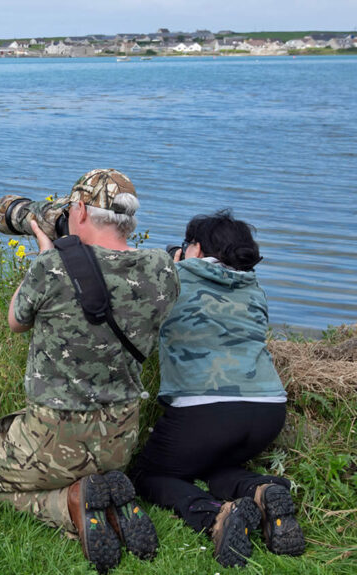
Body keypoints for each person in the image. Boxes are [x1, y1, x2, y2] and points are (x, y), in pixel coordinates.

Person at [0, 169, 180, 573]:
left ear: (81, 210)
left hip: (55, 433)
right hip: (120, 436)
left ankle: (70, 505)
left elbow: (15, 320)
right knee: (95, 459)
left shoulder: (52, 267)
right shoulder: (162, 269)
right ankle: (104, 492)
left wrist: (46, 253)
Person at [129, 210, 304, 567]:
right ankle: (262, 492)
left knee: (148, 473)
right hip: (268, 410)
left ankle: (213, 515)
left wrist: (173, 264)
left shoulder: (173, 277)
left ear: (194, 247)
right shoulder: (254, 288)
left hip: (205, 411)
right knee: (213, 468)